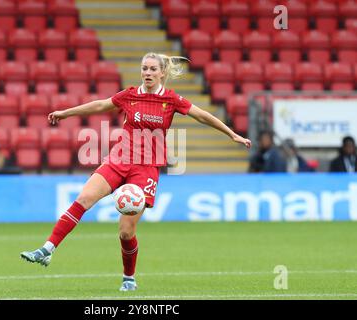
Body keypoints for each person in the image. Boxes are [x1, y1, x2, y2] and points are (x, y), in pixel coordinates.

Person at [20, 52, 251, 291]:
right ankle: (46, 249)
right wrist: (65, 112)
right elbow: (100, 105)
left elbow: (202, 115)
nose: (148, 73)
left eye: (152, 69)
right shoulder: (130, 95)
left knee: (126, 232)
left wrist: (231, 134)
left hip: (146, 169)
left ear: (162, 73)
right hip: (119, 159)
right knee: (84, 198)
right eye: (144, 69)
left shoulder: (171, 100)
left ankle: (129, 279)